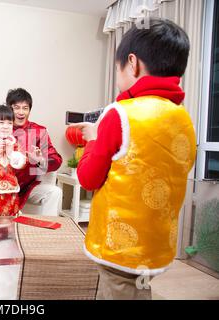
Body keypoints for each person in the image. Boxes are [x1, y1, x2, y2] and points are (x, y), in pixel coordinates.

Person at [69, 18, 196, 300]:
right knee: (134, 288)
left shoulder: (120, 113)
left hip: (120, 243)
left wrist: (92, 139)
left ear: (132, 63)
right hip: (157, 240)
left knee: (119, 289)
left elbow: (88, 177)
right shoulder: (183, 118)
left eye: (117, 69)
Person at [6, 88, 63, 215]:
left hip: (27, 187)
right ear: (9, 108)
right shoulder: (1, 127)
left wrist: (40, 160)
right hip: (2, 185)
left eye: (25, 108)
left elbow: (57, 160)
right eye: (16, 107)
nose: (21, 112)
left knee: (55, 192)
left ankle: (47, 233)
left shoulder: (39, 131)